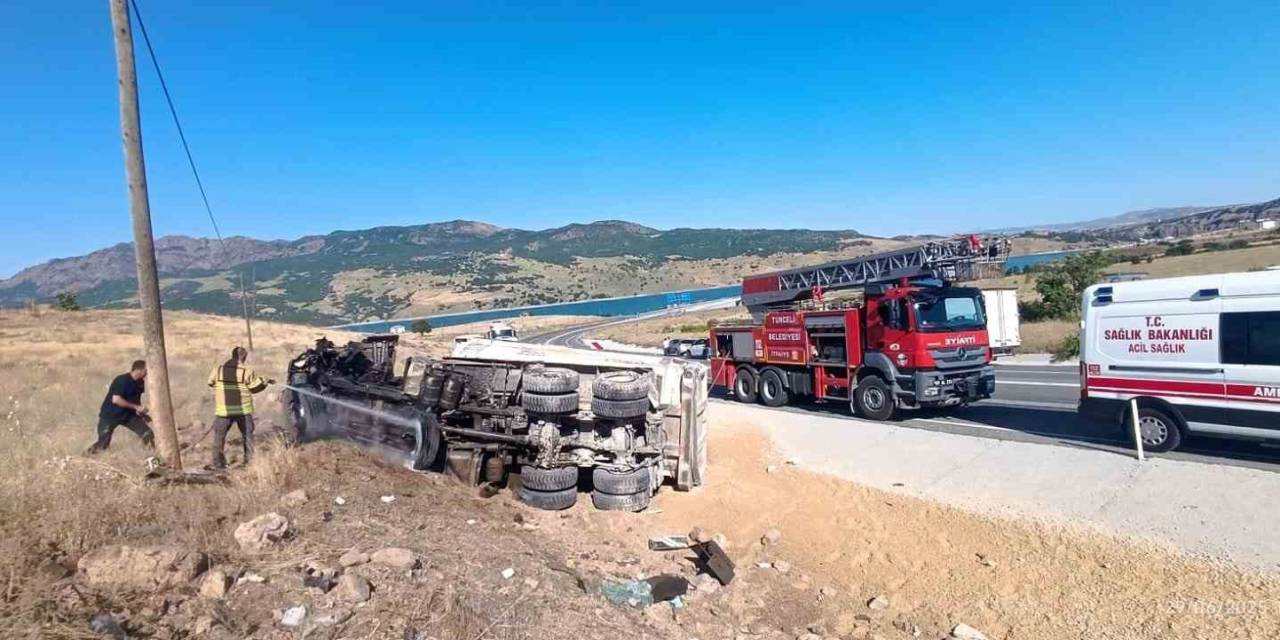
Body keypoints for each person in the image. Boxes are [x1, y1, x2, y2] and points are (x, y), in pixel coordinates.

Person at [207, 346, 270, 469]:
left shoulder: (218, 370)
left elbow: (210, 382)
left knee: (219, 438)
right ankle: (249, 463)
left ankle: (218, 464)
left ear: (232, 356)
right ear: (244, 357)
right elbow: (254, 388)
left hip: (223, 410)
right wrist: (265, 382)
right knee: (248, 436)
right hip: (243, 410)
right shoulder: (247, 372)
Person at [88, 360, 154, 454]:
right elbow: (116, 400)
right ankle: (85, 457)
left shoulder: (140, 383)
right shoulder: (122, 380)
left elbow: (136, 400)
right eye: (146, 370)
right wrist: (136, 407)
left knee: (147, 434)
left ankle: (152, 459)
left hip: (128, 416)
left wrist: (142, 414)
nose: (148, 373)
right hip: (110, 416)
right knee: (103, 443)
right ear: (139, 370)